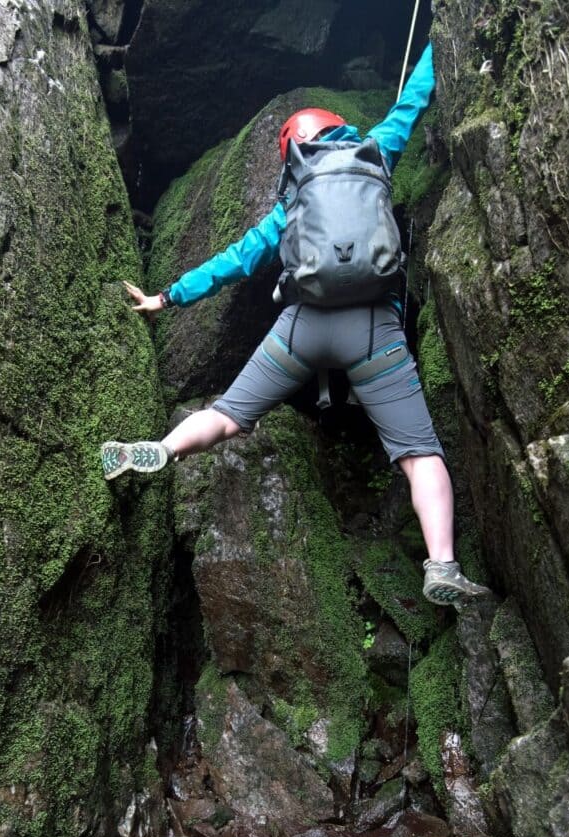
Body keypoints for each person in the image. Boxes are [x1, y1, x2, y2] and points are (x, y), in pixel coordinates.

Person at [101, 43, 487, 607]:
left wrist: (167, 296)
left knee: (229, 416)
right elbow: (417, 93)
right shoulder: (376, 150)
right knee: (417, 453)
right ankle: (442, 566)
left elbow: (233, 261)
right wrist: (436, 35)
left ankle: (161, 450)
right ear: (338, 130)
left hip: (301, 330)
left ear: (290, 155)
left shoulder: (290, 206)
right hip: (373, 331)